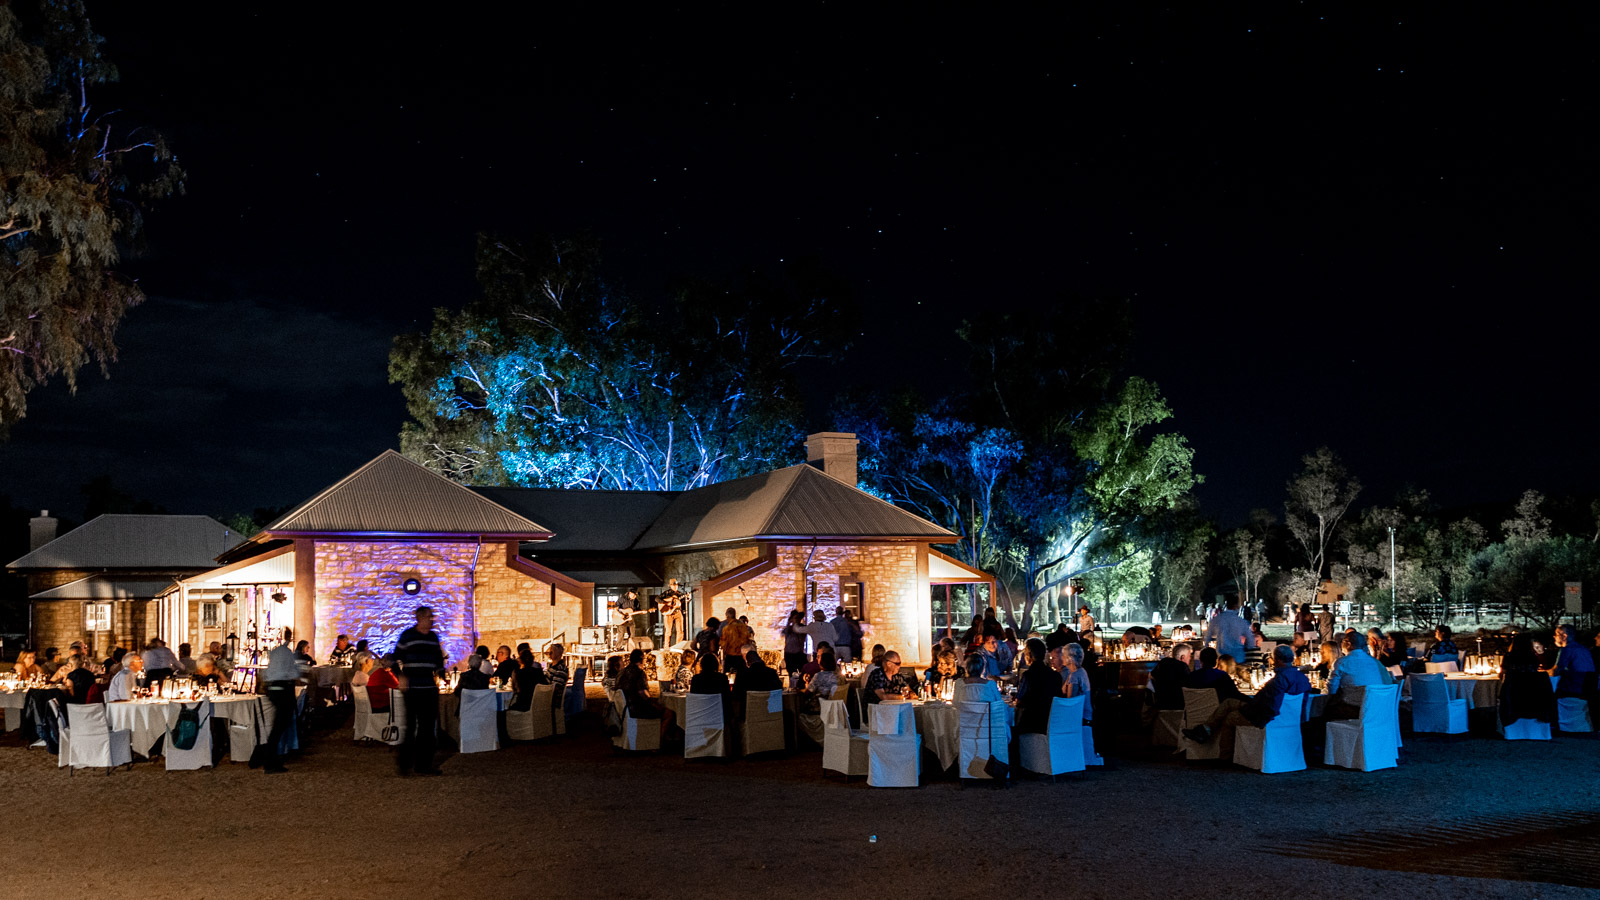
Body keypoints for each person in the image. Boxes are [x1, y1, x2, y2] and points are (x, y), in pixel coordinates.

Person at [1182, 645, 1313, 756]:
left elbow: (1271, 706)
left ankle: (1225, 757)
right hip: (1288, 718)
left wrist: (1248, 710)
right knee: (1229, 702)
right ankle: (1205, 729)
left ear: (1277, 660)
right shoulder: (1302, 678)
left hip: (1264, 716)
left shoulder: (1279, 681)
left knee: (1230, 717)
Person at [394, 607, 445, 776]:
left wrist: (442, 673)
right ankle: (404, 764)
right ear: (420, 618)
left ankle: (424, 765)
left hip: (429, 688)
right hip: (413, 688)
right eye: (429, 617)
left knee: (428, 727)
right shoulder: (408, 636)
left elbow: (438, 660)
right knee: (410, 727)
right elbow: (394, 658)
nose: (432, 620)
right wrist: (400, 676)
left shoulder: (432, 638)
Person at [252, 630, 302, 774]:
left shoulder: (276, 652)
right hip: (283, 688)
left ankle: (271, 758)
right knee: (279, 726)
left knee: (278, 725)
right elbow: (292, 672)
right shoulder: (287, 654)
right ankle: (270, 761)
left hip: (272, 688)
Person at [1323, 630, 1394, 720]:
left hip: (1354, 710)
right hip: (1379, 709)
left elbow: (1331, 689)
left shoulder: (1342, 662)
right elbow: (1388, 683)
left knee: (1325, 711)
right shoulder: (1375, 662)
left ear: (1348, 644)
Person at [1501, 633, 1556, 728]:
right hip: (1533, 696)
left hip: (1514, 695)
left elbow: (1502, 675)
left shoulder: (1509, 657)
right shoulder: (1533, 657)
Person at [617, 648, 673, 731]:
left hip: (625, 707)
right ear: (641, 660)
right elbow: (642, 693)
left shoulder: (622, 672)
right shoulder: (639, 673)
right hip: (638, 708)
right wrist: (653, 701)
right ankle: (660, 739)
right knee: (668, 714)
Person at [1015, 638, 1063, 734]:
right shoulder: (1056, 675)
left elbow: (1019, 701)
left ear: (1028, 655)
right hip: (1051, 722)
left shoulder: (1028, 675)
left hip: (1031, 723)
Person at [1546, 624, 1596, 697]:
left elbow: (1555, 671)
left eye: (1556, 634)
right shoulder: (1583, 649)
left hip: (1573, 692)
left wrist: (1544, 672)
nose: (1554, 637)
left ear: (1564, 636)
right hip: (1587, 691)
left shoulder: (1567, 649)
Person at [1204, 598, 1251, 665]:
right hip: (1238, 657)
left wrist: (1206, 647)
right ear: (1236, 606)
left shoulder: (1217, 619)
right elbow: (1250, 640)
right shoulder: (1241, 621)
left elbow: (1208, 636)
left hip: (1222, 657)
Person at [1150, 643, 1192, 710]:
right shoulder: (1183, 667)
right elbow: (1189, 686)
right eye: (1189, 656)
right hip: (1178, 706)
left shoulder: (1162, 664)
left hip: (1160, 704)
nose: (1190, 658)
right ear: (1182, 657)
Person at [1060, 643, 1092, 724]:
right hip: (1086, 714)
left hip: (1080, 716)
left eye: (1063, 655)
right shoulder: (1081, 671)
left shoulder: (1074, 676)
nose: (1062, 657)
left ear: (1069, 658)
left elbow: (1070, 700)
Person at [509, 647, 548, 712]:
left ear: (520, 660)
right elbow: (545, 686)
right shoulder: (538, 672)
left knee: (502, 712)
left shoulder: (517, 673)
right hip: (539, 706)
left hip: (523, 706)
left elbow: (515, 689)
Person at [659, 578, 688, 647]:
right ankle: (666, 647)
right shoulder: (666, 593)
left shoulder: (680, 594)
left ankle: (679, 646)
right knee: (668, 631)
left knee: (680, 630)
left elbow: (682, 603)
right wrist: (665, 602)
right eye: (674, 585)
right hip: (669, 613)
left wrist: (687, 599)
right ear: (670, 586)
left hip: (678, 612)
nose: (675, 587)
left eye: (676, 585)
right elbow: (657, 599)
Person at [781, 610, 809, 680]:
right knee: (791, 673)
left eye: (798, 618)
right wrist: (789, 623)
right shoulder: (789, 629)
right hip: (789, 653)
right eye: (795, 618)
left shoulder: (802, 628)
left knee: (803, 671)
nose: (797, 620)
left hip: (799, 653)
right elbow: (785, 633)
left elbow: (801, 638)